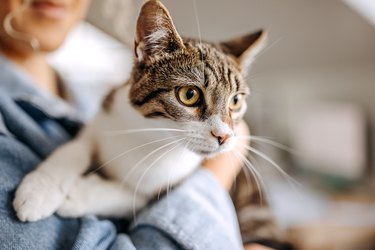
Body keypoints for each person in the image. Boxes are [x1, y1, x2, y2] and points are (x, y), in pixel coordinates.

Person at [0, 0, 272, 249]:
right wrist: (217, 174)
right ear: (149, 53)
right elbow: (89, 142)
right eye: (191, 95)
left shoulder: (80, 94)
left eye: (235, 103)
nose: (223, 132)